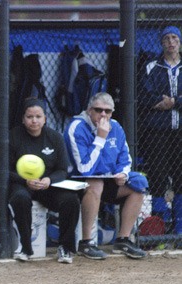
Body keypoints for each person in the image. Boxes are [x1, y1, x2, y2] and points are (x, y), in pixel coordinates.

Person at [64, 92, 148, 260]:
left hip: (107, 179)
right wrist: (100, 138)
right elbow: (84, 168)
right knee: (95, 183)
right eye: (98, 110)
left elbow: (125, 158)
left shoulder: (115, 127)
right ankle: (86, 242)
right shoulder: (77, 127)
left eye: (107, 111)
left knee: (138, 184)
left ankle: (123, 239)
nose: (103, 115)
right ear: (89, 110)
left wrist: (122, 174)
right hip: (77, 182)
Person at [8, 98, 80, 263]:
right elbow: (5, 170)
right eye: (30, 116)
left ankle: (65, 248)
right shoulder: (13, 137)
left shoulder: (55, 137)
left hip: (47, 186)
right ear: (23, 119)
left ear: (45, 119)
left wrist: (49, 180)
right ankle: (25, 248)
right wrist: (24, 180)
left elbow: (63, 169)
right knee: (20, 198)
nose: (34, 120)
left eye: (38, 116)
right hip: (22, 184)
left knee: (71, 200)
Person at [138, 26, 182, 234]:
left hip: (179, 130)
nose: (171, 42)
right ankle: (158, 227)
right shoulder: (150, 67)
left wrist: (174, 102)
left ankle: (180, 226)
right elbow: (143, 98)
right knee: (157, 173)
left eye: (174, 38)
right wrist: (159, 102)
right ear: (161, 43)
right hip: (158, 130)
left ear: (180, 42)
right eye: (166, 38)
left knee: (180, 175)